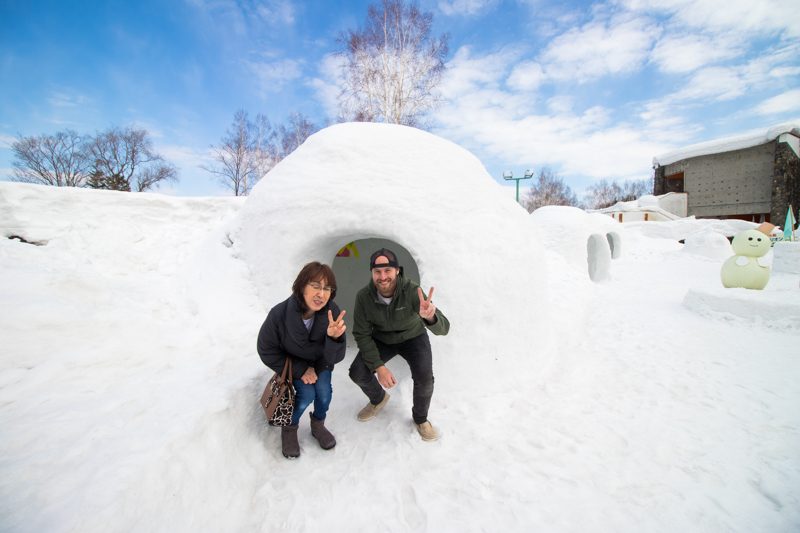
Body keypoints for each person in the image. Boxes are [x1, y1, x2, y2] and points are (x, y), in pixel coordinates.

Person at [349, 248, 450, 441]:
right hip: (382, 338)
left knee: (425, 377)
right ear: (372, 273)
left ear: (397, 270)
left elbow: (444, 329)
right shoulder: (364, 297)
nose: (383, 276)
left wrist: (430, 318)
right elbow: (361, 334)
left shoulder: (413, 291)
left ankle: (421, 419)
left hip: (413, 337)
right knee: (358, 372)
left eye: (387, 270)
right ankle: (378, 399)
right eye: (377, 271)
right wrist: (378, 366)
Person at [257, 262, 347, 458]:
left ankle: (318, 425)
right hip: (294, 364)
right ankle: (289, 428)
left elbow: (336, 356)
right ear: (301, 286)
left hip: (320, 363)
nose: (321, 294)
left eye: (326, 288)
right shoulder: (279, 314)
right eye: (315, 286)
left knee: (323, 394)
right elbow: (266, 349)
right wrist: (300, 369)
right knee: (306, 395)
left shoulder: (333, 312)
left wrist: (334, 338)